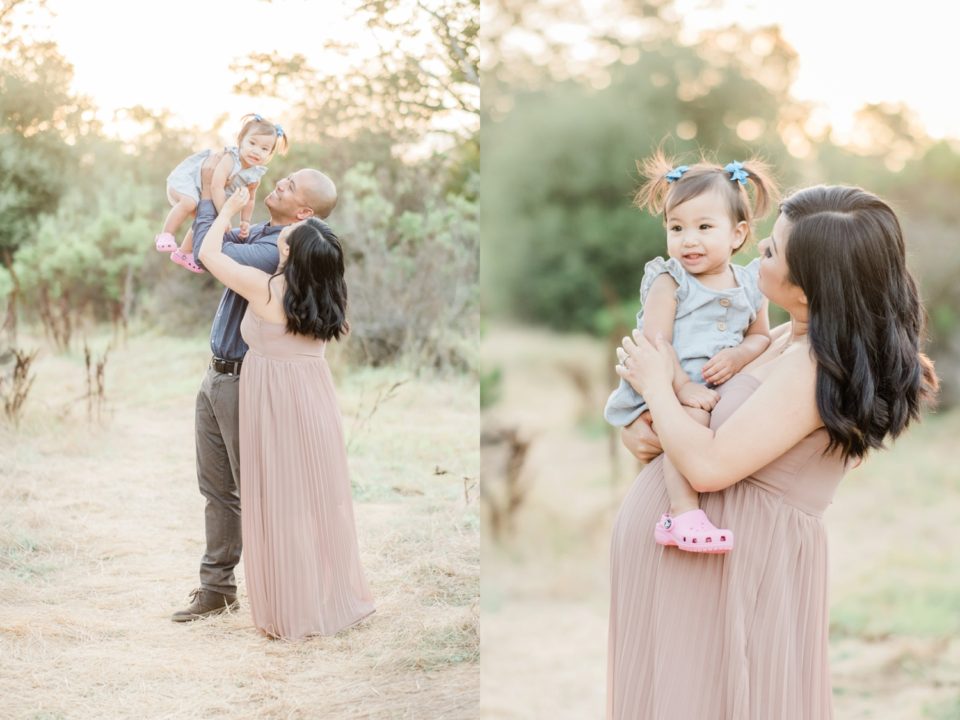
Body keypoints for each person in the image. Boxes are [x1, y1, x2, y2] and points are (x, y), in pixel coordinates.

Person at [607, 184, 938, 719]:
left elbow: (710, 465)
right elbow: (702, 435)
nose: (755, 251)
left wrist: (655, 388)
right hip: (699, 571)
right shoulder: (783, 339)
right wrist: (642, 431)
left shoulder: (813, 366)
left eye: (769, 251)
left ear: (807, 287)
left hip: (738, 575)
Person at [194, 185, 374, 640]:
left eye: (289, 236)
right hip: (313, 401)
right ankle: (323, 597)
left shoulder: (270, 287)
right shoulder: (325, 295)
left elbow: (209, 254)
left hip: (271, 400)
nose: (282, 237)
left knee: (274, 502)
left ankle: (290, 610)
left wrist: (229, 208)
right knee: (311, 500)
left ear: (293, 251)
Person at [170, 160, 339, 624]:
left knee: (259, 493)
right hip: (217, 375)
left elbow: (209, 251)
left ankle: (284, 593)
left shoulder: (271, 254)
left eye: (289, 186)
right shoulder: (264, 235)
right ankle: (217, 589)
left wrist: (208, 193)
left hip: (247, 382)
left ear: (304, 213)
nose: (278, 183)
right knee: (217, 490)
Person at [603, 152, 778, 553]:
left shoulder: (751, 283)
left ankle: (673, 514)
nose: (689, 239)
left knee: (702, 423)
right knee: (693, 419)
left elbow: (762, 336)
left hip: (707, 385)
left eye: (704, 226)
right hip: (664, 383)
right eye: (676, 227)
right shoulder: (670, 280)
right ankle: (682, 514)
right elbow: (655, 345)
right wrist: (680, 387)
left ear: (737, 234)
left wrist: (738, 356)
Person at [154, 113, 289, 273]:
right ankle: (166, 234)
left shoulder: (254, 175)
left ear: (269, 154)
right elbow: (216, 186)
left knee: (206, 218)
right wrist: (224, 216)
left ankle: (183, 253)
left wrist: (245, 221)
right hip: (188, 182)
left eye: (264, 149)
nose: (256, 151)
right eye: (252, 143)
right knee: (191, 204)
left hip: (202, 193)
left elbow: (250, 199)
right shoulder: (230, 159)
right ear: (241, 141)